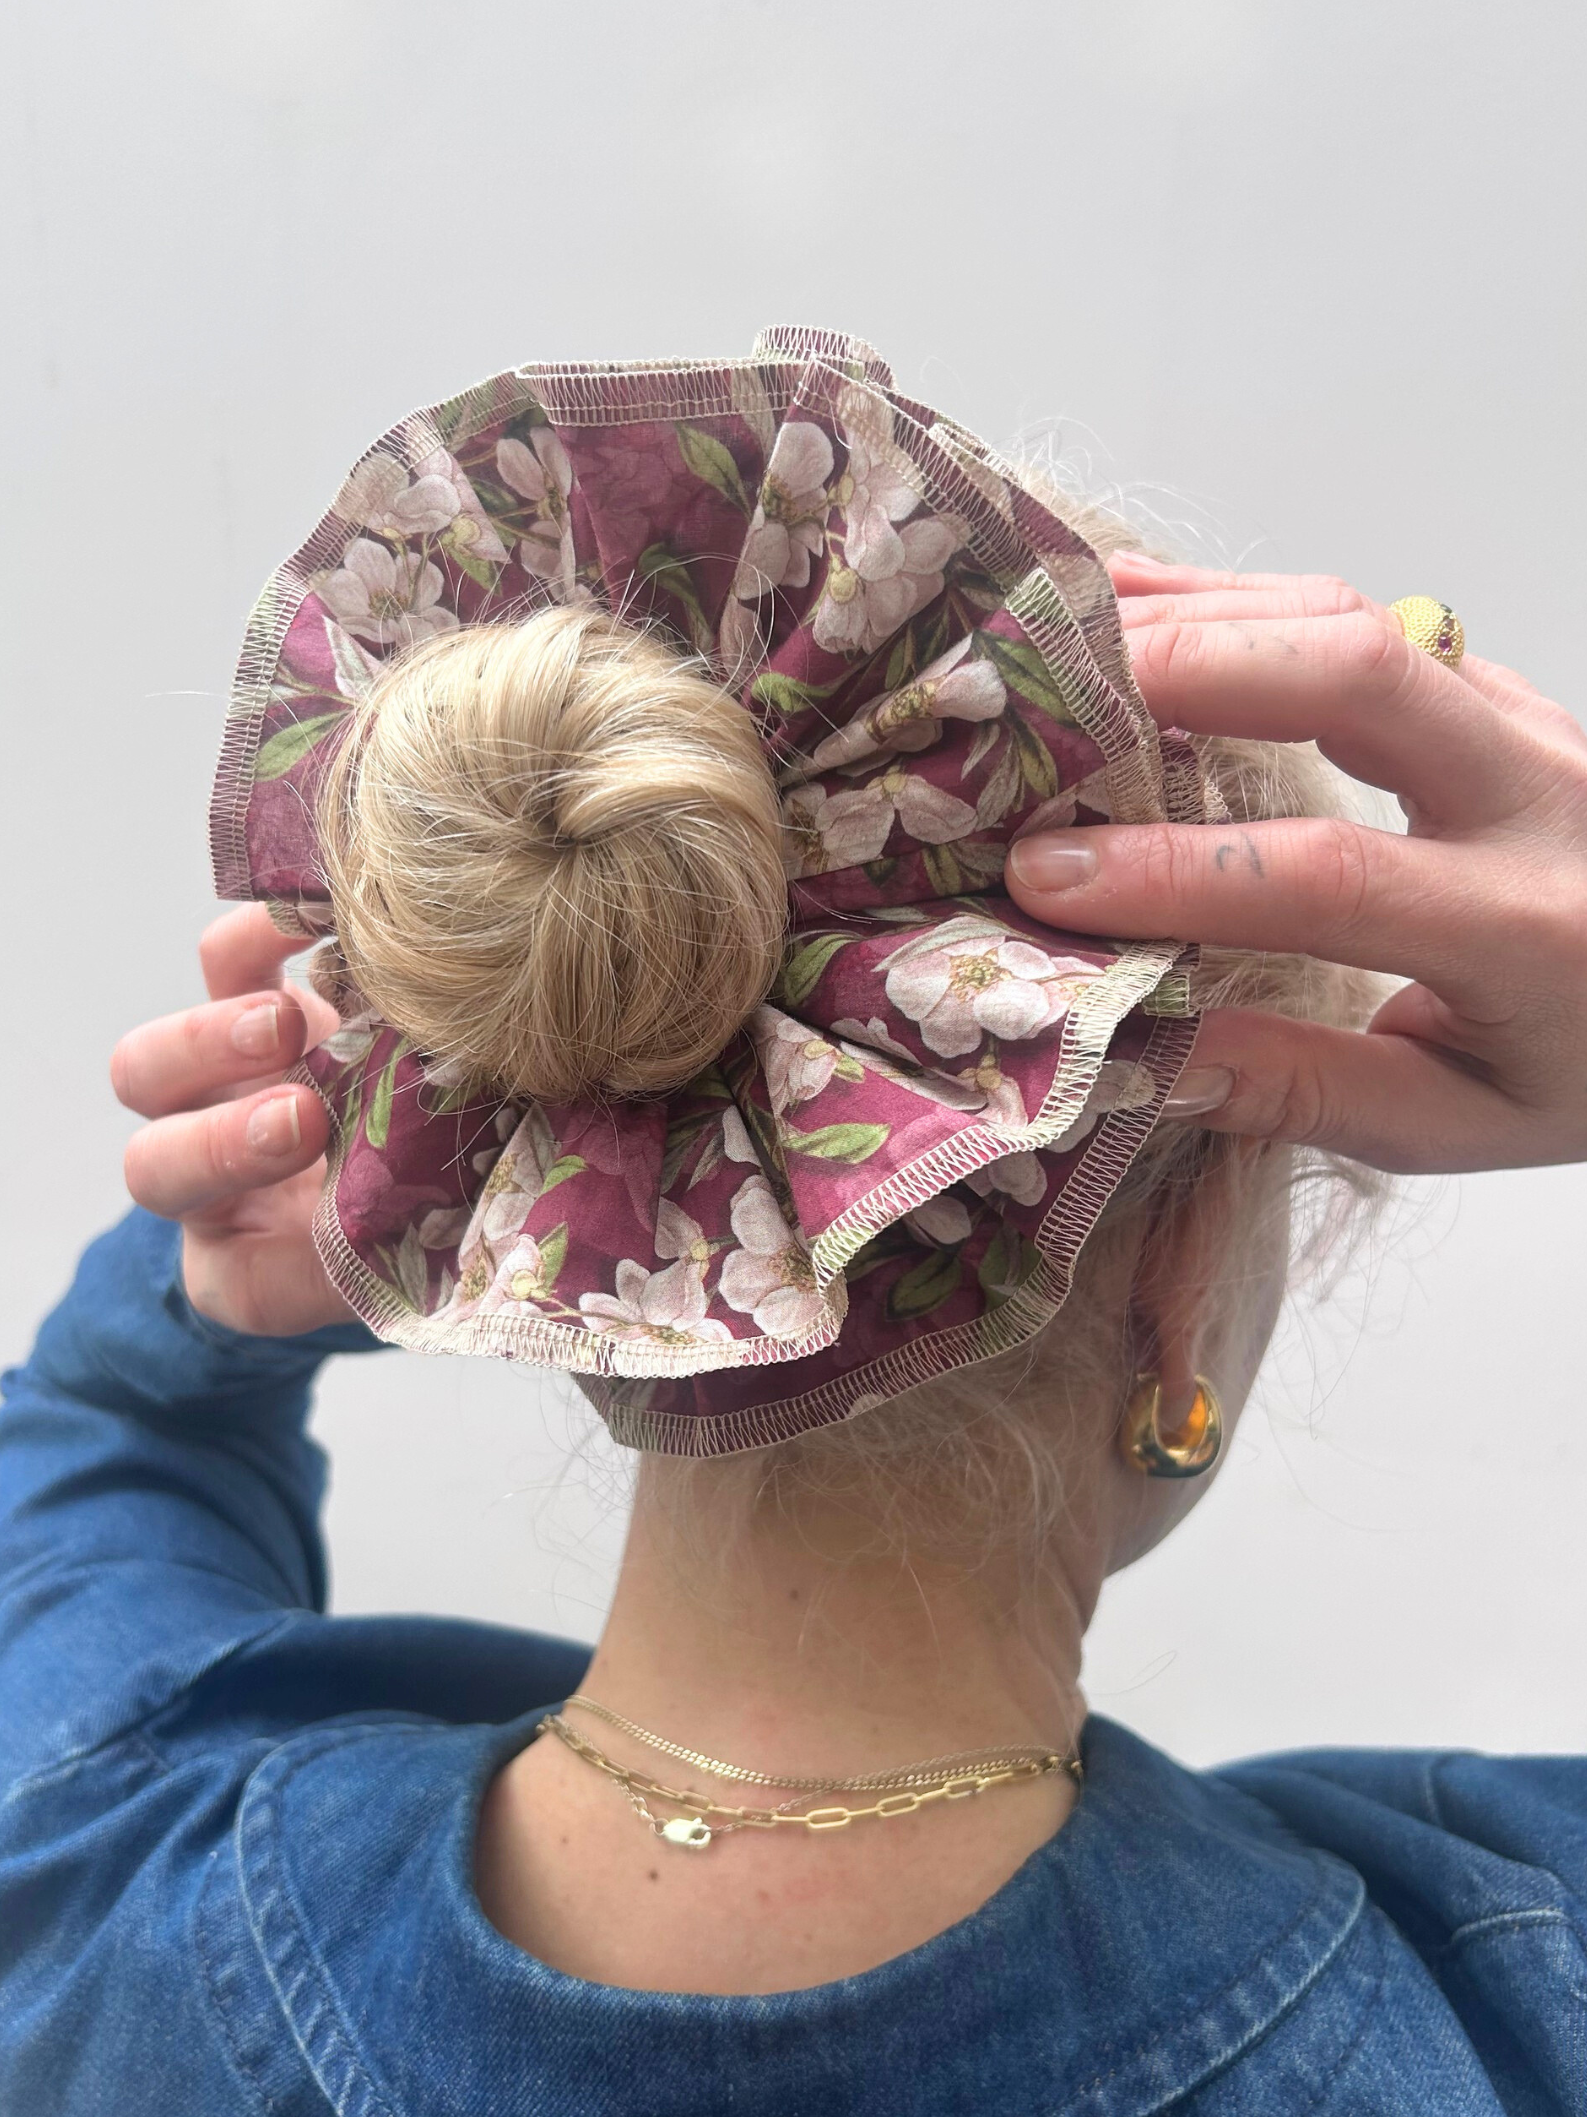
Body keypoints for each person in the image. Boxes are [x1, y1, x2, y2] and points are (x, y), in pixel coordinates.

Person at [3, 332, 1585, 2113]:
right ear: (1183, 1268)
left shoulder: (87, 1853)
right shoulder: (1514, 1988)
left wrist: (213, 1306)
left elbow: (87, 1462)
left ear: (521, 1183)